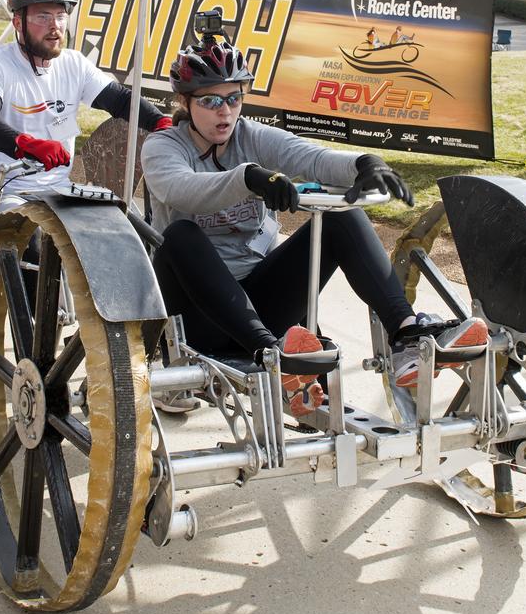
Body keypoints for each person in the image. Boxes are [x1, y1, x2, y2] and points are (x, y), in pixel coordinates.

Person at [140, 29, 467, 416]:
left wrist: (362, 164)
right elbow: (182, 190)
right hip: (195, 316)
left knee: (342, 218)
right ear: (185, 101)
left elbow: (309, 157)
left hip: (259, 303)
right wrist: (248, 178)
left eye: (233, 98)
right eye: (210, 100)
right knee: (180, 233)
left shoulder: (251, 136)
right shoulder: (163, 147)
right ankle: (273, 359)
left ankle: (406, 334)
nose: (224, 111)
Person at [0, 0, 172, 222]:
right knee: (29, 235)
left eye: (60, 16)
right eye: (43, 17)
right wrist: (24, 144)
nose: (55, 26)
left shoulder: (74, 63)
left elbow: (120, 100)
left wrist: (162, 122)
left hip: (58, 192)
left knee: (116, 230)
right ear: (17, 22)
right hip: (0, 192)